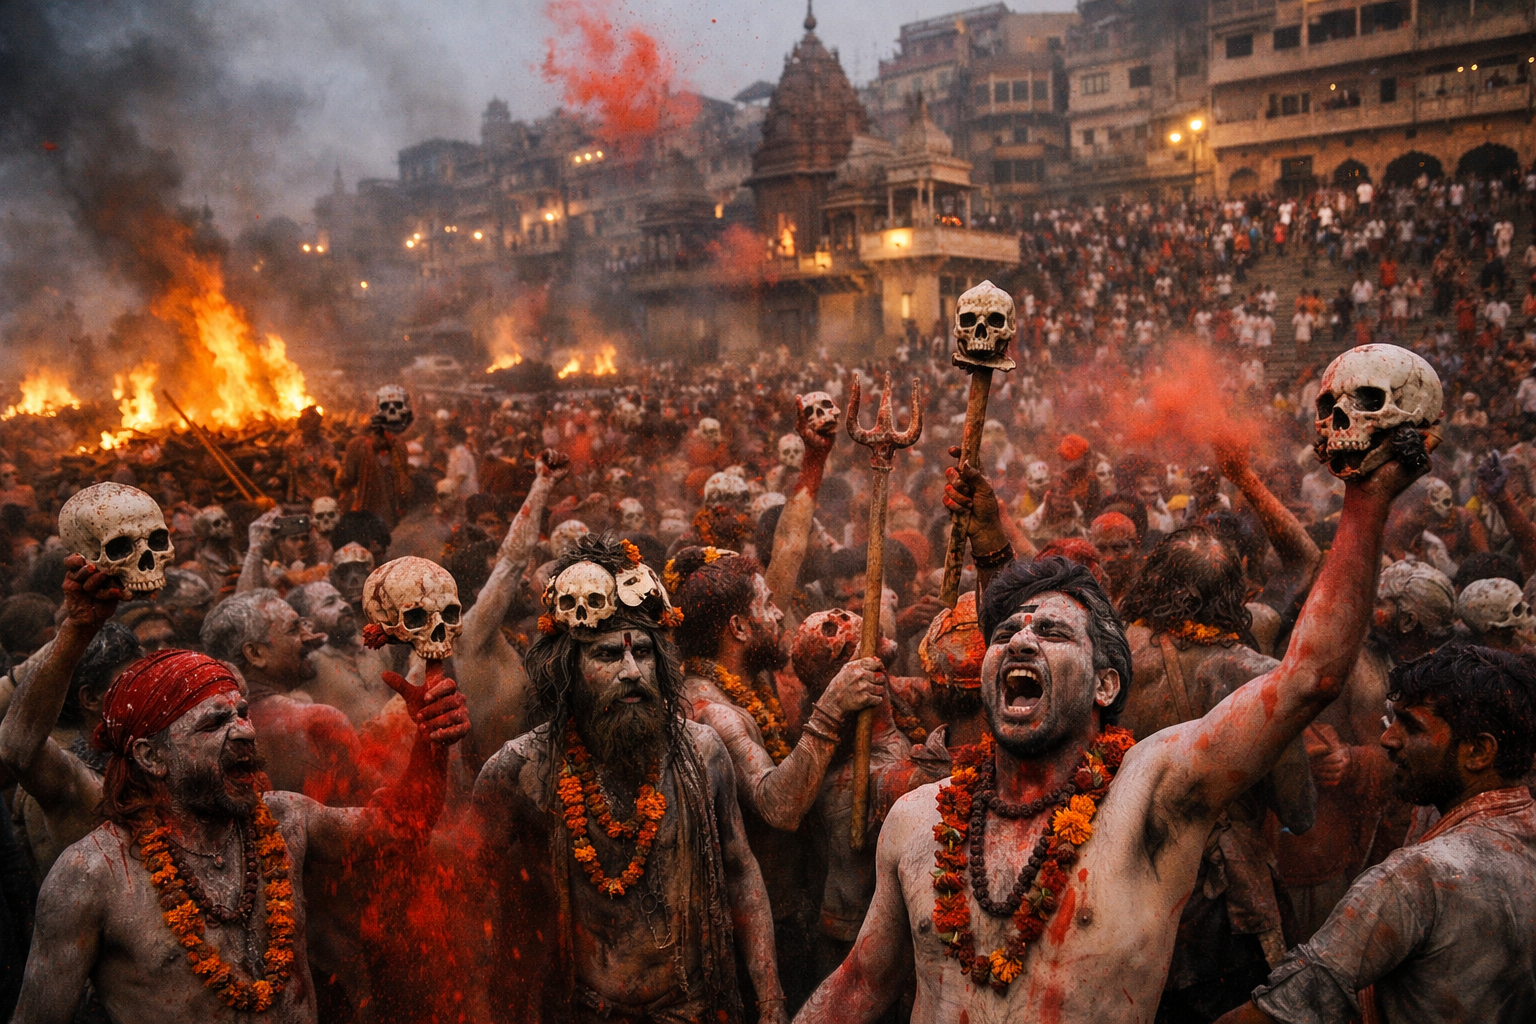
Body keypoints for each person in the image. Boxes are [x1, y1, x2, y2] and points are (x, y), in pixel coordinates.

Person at [793, 429, 1423, 1023]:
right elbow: (858, 987)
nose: (1021, 639)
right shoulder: (916, 819)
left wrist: (1365, 501)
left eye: (1053, 631)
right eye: (1008, 632)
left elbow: (1309, 677)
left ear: (1105, 684)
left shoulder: (1152, 802)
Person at [10, 645, 468, 1024]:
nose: (246, 731)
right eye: (215, 723)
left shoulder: (286, 818)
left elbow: (397, 830)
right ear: (152, 757)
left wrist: (431, 743)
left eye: (243, 714)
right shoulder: (90, 876)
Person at [469, 537, 787, 1023]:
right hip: (577, 1011)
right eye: (605, 656)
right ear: (566, 670)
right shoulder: (519, 771)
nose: (632, 671)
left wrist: (770, 1002)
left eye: (643, 651)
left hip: (690, 1008)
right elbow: (476, 898)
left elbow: (740, 873)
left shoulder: (701, 754)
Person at [1218, 645, 1536, 1024]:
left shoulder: (1415, 880)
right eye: (1394, 721)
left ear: (1479, 751)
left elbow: (1280, 1013)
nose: (1387, 740)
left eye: (1412, 726)